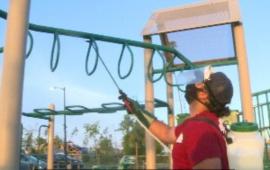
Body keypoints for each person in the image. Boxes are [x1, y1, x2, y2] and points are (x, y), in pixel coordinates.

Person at [120, 71, 233, 169]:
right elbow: (166, 134)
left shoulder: (199, 128)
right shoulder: (199, 123)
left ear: (204, 94)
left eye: (198, 82)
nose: (191, 84)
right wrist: (138, 111)